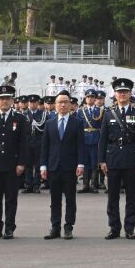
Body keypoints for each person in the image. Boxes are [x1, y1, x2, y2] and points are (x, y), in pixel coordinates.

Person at [97, 78, 135, 240]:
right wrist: (101, 160)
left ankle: (129, 228)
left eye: (125, 92)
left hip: (131, 158)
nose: (122, 94)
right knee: (112, 196)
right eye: (120, 92)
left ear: (130, 94)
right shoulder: (108, 115)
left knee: (131, 196)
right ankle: (114, 228)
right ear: (115, 94)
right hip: (112, 158)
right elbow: (103, 139)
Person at [0, 85, 28, 240]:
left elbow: (24, 143)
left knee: (10, 198)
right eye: (2, 98)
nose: (5, 101)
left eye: (8, 98)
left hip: (12, 165)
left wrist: (21, 163)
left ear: (13, 100)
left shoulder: (20, 119)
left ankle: (9, 227)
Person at [40, 93, 83, 239]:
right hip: (53, 166)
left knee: (70, 199)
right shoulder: (49, 123)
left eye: (65, 102)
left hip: (70, 167)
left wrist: (81, 164)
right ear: (55, 105)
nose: (63, 105)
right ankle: (55, 227)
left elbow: (80, 145)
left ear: (71, 104)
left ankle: (68, 226)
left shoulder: (77, 122)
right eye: (60, 102)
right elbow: (45, 146)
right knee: (55, 199)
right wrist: (43, 166)